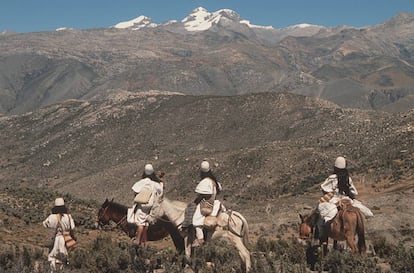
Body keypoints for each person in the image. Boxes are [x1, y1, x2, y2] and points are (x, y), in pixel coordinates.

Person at [317, 156, 373, 252]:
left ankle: (322, 235)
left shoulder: (332, 178)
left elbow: (324, 188)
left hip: (335, 200)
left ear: (335, 167)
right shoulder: (348, 178)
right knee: (360, 209)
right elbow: (354, 192)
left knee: (321, 213)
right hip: (347, 199)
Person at [130, 163, 164, 246]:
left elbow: (135, 191)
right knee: (146, 222)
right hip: (151, 205)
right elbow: (161, 191)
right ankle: (145, 241)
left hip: (142, 204)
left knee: (140, 223)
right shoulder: (154, 184)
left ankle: (137, 240)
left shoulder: (141, 182)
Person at [191, 160, 222, 247]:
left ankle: (200, 239)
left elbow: (201, 194)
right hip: (214, 203)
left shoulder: (205, 181)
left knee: (196, 220)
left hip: (206, 204)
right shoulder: (214, 181)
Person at [43, 197, 76, 272]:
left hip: (54, 238)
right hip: (64, 239)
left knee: (52, 257)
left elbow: (45, 224)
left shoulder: (51, 217)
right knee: (63, 257)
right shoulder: (68, 217)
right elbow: (73, 228)